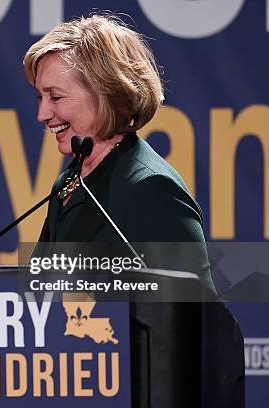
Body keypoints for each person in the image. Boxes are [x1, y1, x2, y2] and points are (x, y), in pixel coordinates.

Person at [24, 14, 214, 290]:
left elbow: (199, 316)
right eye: (40, 97)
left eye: (55, 97)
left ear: (105, 93)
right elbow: (42, 293)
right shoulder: (71, 180)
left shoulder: (151, 188)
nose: (42, 114)